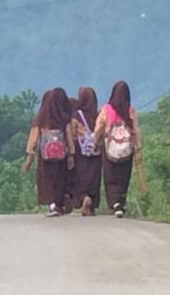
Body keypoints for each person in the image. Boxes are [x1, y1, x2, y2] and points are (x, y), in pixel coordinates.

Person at [93, 81, 142, 218]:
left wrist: (95, 141)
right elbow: (136, 130)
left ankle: (115, 203)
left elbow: (99, 128)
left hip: (109, 149)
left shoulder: (106, 110)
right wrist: (138, 147)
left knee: (110, 176)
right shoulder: (130, 110)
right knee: (123, 176)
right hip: (127, 150)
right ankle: (121, 201)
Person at [23, 90, 75, 217]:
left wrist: (30, 154)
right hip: (61, 157)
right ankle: (59, 204)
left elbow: (33, 139)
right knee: (59, 179)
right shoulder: (64, 119)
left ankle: (52, 205)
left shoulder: (41, 119)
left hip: (45, 157)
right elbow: (69, 137)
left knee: (47, 180)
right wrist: (71, 154)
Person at [70, 87, 102, 216]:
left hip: (80, 151)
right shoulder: (99, 114)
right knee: (94, 176)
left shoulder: (77, 115)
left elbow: (72, 133)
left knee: (81, 176)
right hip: (96, 151)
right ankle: (92, 204)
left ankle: (84, 198)